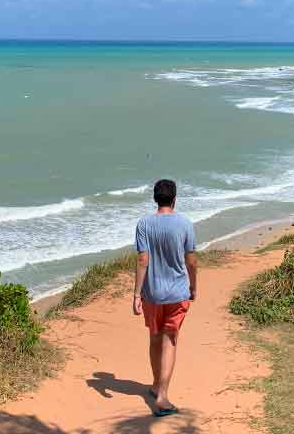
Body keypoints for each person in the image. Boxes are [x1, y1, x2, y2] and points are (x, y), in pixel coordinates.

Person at [132, 179, 197, 418]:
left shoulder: (144, 224)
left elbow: (142, 260)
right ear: (175, 198)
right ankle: (162, 396)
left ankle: (155, 384)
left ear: (155, 199)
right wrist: (194, 287)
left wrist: (137, 294)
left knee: (154, 337)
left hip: (152, 293)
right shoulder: (185, 224)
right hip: (177, 291)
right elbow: (191, 260)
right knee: (170, 340)